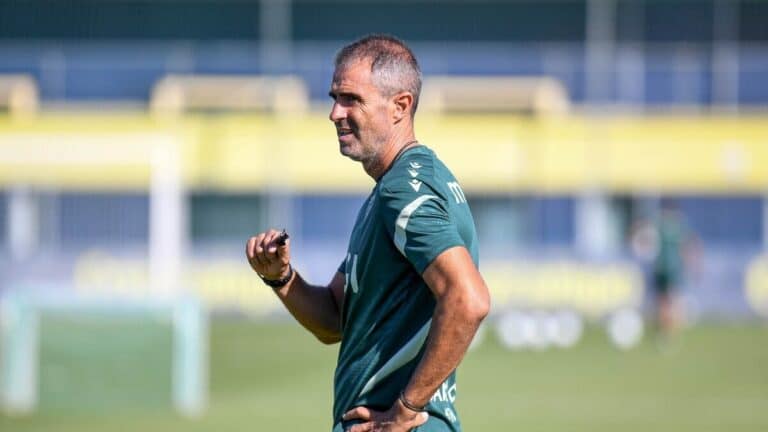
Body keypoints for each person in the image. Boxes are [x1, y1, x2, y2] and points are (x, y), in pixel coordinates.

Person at [245, 34, 490, 432]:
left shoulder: (404, 189)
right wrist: (280, 277)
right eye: (333, 97)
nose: (334, 113)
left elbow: (469, 298)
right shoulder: (390, 191)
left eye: (350, 99)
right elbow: (334, 321)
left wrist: (406, 410)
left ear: (400, 106)